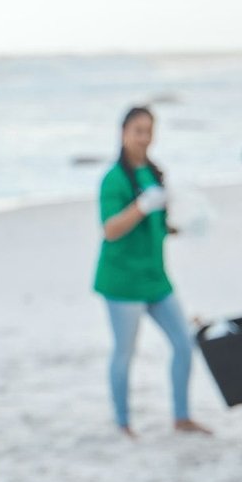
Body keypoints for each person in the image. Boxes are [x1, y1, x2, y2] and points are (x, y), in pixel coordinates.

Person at [92, 106, 211, 438]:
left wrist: (182, 226)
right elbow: (111, 229)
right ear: (123, 133)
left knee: (185, 344)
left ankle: (182, 417)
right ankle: (123, 422)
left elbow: (158, 224)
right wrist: (142, 206)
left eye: (149, 130)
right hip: (123, 281)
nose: (144, 138)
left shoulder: (155, 172)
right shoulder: (113, 179)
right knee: (125, 352)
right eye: (138, 131)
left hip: (156, 279)